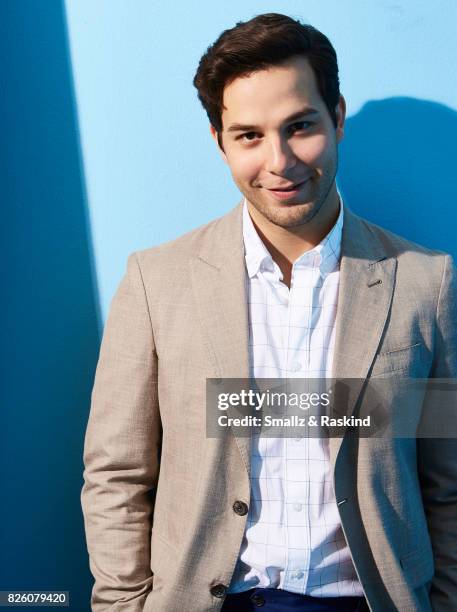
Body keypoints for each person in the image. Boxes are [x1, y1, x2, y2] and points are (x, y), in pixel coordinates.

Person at [81, 13, 457, 612]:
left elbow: (448, 485)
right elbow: (118, 474)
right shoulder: (157, 280)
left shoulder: (424, 281)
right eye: (249, 136)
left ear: (336, 118)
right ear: (219, 142)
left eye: (300, 126)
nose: (279, 161)